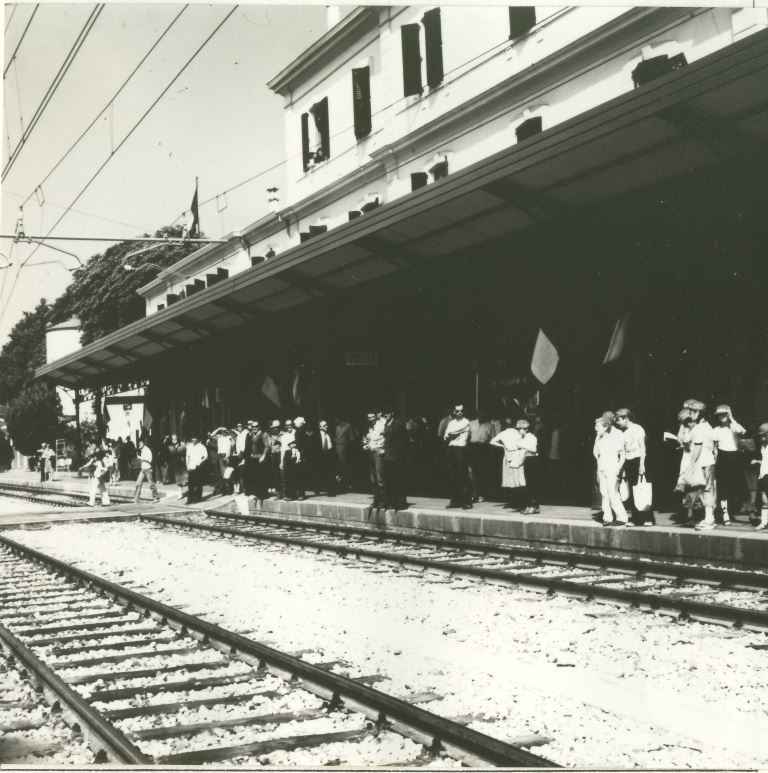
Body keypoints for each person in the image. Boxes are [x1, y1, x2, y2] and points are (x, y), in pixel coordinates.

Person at [680, 399, 717, 530]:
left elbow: (697, 448)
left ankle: (709, 520)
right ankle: (708, 518)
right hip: (706, 462)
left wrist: (691, 464)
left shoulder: (700, 428)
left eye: (693, 411)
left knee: (707, 491)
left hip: (704, 462)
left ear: (699, 412)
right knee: (704, 491)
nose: (691, 414)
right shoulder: (706, 426)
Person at [615, 408, 653, 526]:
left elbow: (643, 447)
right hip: (628, 461)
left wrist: (642, 464)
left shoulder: (637, 429)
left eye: (619, 420)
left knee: (642, 489)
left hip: (638, 460)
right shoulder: (624, 432)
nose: (618, 422)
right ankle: (636, 518)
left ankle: (648, 518)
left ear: (626, 418)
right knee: (632, 490)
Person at [490, 418, 537, 511]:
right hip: (518, 456)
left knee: (517, 480)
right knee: (518, 480)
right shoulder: (519, 435)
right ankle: (523, 503)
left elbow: (492, 441)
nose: (519, 430)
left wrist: (504, 446)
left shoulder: (527, 436)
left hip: (518, 457)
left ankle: (527, 504)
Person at [712, 405, 747, 524]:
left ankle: (731, 512)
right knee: (723, 487)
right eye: (720, 414)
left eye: (724, 414)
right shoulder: (716, 429)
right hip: (723, 458)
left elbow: (742, 431)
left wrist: (731, 417)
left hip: (735, 457)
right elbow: (714, 448)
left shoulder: (733, 426)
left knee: (736, 486)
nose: (722, 416)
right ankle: (725, 513)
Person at [593, 415, 628, 526]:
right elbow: (596, 454)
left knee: (613, 493)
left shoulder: (614, 438)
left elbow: (622, 454)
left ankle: (622, 518)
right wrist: (598, 471)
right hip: (602, 468)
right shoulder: (598, 438)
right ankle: (607, 518)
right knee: (604, 493)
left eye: (598, 426)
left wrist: (619, 468)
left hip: (612, 468)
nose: (595, 428)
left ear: (606, 427)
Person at [443, 404, 472, 509]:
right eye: (457, 411)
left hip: (461, 449)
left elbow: (453, 431)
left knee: (463, 475)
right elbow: (445, 436)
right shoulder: (451, 422)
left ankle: (467, 501)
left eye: (461, 410)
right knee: (453, 476)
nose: (459, 412)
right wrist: (450, 434)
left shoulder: (466, 421)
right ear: (454, 412)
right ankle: (455, 501)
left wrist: (451, 434)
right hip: (451, 449)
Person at [382, 407, 408, 510]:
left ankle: (401, 502)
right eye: (385, 413)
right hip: (388, 456)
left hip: (396, 456)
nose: (386, 415)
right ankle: (393, 501)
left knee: (399, 479)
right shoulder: (386, 424)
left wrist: (399, 454)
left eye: (387, 413)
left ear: (392, 413)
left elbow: (403, 440)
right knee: (390, 480)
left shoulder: (397, 423)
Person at [243, 421, 271, 507]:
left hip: (260, 458)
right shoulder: (251, 434)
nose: (254, 428)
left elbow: (267, 446)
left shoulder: (263, 434)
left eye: (256, 427)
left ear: (259, 427)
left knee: (261, 477)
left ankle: (262, 494)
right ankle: (255, 493)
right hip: (252, 458)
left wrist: (263, 456)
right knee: (254, 476)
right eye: (253, 427)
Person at [468, 412, 494, 502]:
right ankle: (474, 493)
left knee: (482, 472)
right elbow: (467, 437)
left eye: (483, 413)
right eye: (480, 413)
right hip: (472, 448)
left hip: (483, 449)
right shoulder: (471, 423)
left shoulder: (490, 425)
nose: (481, 415)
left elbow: (492, 440)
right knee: (472, 472)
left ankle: (482, 494)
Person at [363, 411, 386, 509]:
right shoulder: (369, 428)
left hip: (378, 454)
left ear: (376, 416)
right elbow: (367, 440)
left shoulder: (381, 425)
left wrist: (385, 449)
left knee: (380, 478)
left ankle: (383, 501)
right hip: (371, 454)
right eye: (369, 417)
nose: (371, 419)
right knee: (373, 479)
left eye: (372, 416)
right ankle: (376, 500)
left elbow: (387, 437)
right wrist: (365, 445)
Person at [750, 422, 768, 531]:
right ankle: (764, 522)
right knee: (764, 499)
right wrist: (758, 461)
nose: (762, 438)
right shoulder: (762, 447)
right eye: (761, 436)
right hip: (763, 474)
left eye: (764, 435)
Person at [334, 417, 359, 492]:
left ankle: (347, 484)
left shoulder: (348, 426)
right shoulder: (336, 426)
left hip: (344, 448)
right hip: (335, 447)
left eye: (336, 418)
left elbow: (352, 437)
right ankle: (339, 484)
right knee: (337, 466)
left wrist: (348, 446)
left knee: (344, 466)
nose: (335, 420)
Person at [133, 439, 160, 503]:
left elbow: (149, 459)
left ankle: (156, 498)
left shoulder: (147, 450)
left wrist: (140, 458)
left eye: (140, 443)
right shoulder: (142, 450)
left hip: (147, 469)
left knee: (151, 484)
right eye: (139, 444)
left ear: (144, 444)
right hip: (143, 469)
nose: (139, 445)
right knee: (138, 483)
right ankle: (136, 499)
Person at [186, 435, 208, 504]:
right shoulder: (189, 446)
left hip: (198, 467)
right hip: (191, 466)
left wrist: (200, 461)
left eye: (194, 438)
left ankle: (198, 498)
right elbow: (187, 456)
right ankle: (190, 500)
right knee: (190, 484)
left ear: (197, 439)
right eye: (192, 438)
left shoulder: (201, 446)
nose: (193, 439)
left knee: (198, 483)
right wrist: (187, 465)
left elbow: (206, 456)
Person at [318, 419, 337, 495]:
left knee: (331, 472)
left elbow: (332, 444)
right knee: (323, 472)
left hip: (329, 454)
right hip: (321, 454)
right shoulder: (318, 435)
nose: (326, 426)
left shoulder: (329, 434)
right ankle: (321, 488)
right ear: (320, 427)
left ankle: (331, 491)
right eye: (324, 425)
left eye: (326, 425)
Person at [166, 434, 188, 498]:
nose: (174, 440)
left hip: (182, 463)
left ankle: (181, 493)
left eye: (175, 438)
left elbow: (186, 453)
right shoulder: (170, 447)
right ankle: (180, 493)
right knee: (178, 479)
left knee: (183, 479)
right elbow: (168, 455)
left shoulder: (182, 445)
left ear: (177, 439)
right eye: (173, 439)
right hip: (175, 464)